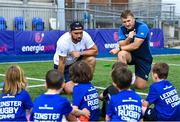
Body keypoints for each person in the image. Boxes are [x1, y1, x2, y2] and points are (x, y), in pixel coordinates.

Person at [109, 10, 153, 89]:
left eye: (128, 21)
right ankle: (121, 81)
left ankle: (134, 77)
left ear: (133, 19)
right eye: (124, 22)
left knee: (140, 86)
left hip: (144, 58)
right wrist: (129, 38)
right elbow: (122, 43)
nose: (127, 24)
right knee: (121, 54)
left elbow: (136, 45)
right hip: (130, 55)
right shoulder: (122, 29)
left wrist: (118, 48)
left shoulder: (142, 26)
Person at [53, 21, 98, 94]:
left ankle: (86, 84)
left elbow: (95, 51)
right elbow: (62, 63)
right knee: (69, 90)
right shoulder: (63, 41)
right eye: (76, 33)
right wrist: (60, 83)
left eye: (81, 33)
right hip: (64, 66)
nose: (79, 35)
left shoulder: (85, 36)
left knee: (91, 59)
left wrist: (80, 53)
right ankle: (65, 84)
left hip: (76, 62)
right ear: (70, 32)